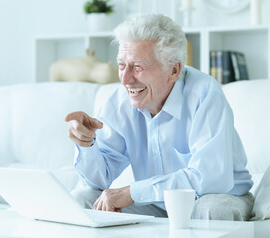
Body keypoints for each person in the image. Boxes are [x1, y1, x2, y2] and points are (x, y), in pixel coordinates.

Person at [65, 14, 254, 221]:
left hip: (216, 196)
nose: (126, 79)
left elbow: (210, 178)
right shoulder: (118, 103)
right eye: (121, 65)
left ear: (173, 70)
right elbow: (98, 181)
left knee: (211, 209)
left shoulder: (204, 94)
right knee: (82, 200)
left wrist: (132, 193)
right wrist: (87, 144)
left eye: (138, 66)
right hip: (153, 204)